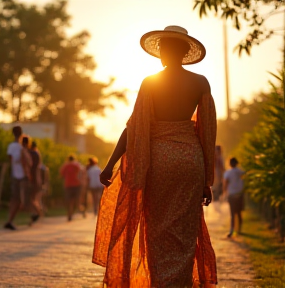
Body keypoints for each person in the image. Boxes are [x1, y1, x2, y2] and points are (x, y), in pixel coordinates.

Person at [92, 26, 217, 287]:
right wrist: (207, 179)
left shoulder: (150, 82)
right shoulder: (200, 82)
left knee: (157, 228)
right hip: (189, 162)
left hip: (158, 161)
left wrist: (110, 164)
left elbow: (134, 128)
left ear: (162, 52)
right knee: (184, 231)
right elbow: (208, 132)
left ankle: (161, 282)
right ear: (184, 53)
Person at [4, 126, 31, 230]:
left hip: (14, 174)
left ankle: (9, 220)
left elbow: (10, 159)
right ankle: (10, 220)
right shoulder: (21, 148)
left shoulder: (11, 146)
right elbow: (26, 162)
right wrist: (27, 173)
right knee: (18, 200)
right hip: (21, 175)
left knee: (14, 199)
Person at [223, 157, 245, 238]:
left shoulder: (228, 173)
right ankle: (239, 230)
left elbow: (225, 183)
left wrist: (224, 193)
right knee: (239, 213)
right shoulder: (240, 171)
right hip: (239, 194)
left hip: (231, 195)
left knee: (232, 214)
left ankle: (232, 230)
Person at [60, 154, 81, 221]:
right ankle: (72, 213)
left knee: (69, 201)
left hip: (68, 185)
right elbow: (80, 173)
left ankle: (69, 214)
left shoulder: (65, 166)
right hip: (76, 184)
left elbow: (62, 174)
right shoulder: (76, 165)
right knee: (75, 200)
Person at [28, 141, 43, 224]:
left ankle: (37, 213)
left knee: (31, 198)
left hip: (32, 179)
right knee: (34, 198)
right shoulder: (37, 154)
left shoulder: (32, 154)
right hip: (37, 179)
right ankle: (36, 214)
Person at [212, 145, 225, 213]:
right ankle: (216, 203)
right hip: (217, 174)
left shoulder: (213, 157)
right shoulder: (219, 158)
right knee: (217, 189)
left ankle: (215, 203)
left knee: (215, 188)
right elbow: (221, 167)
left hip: (214, 173)